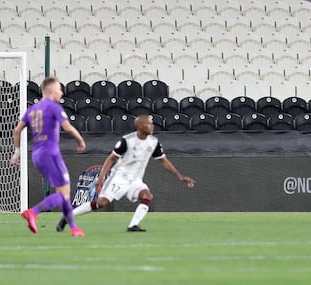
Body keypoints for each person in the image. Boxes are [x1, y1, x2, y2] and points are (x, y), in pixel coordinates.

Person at [60, 114, 196, 232]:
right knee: (101, 203)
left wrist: (180, 176)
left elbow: (163, 161)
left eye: (152, 123)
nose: (152, 126)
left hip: (135, 180)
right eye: (148, 124)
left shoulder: (153, 142)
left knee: (147, 196)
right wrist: (101, 178)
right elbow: (111, 158)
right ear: (140, 126)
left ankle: (133, 225)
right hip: (118, 177)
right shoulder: (127, 140)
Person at [10, 77, 86, 237]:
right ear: (51, 91)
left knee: (64, 193)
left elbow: (17, 131)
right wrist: (80, 140)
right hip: (51, 153)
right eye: (59, 89)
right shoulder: (54, 107)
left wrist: (17, 152)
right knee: (64, 194)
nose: (62, 92)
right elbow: (68, 128)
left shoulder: (32, 109)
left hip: (37, 154)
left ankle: (73, 228)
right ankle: (33, 212)